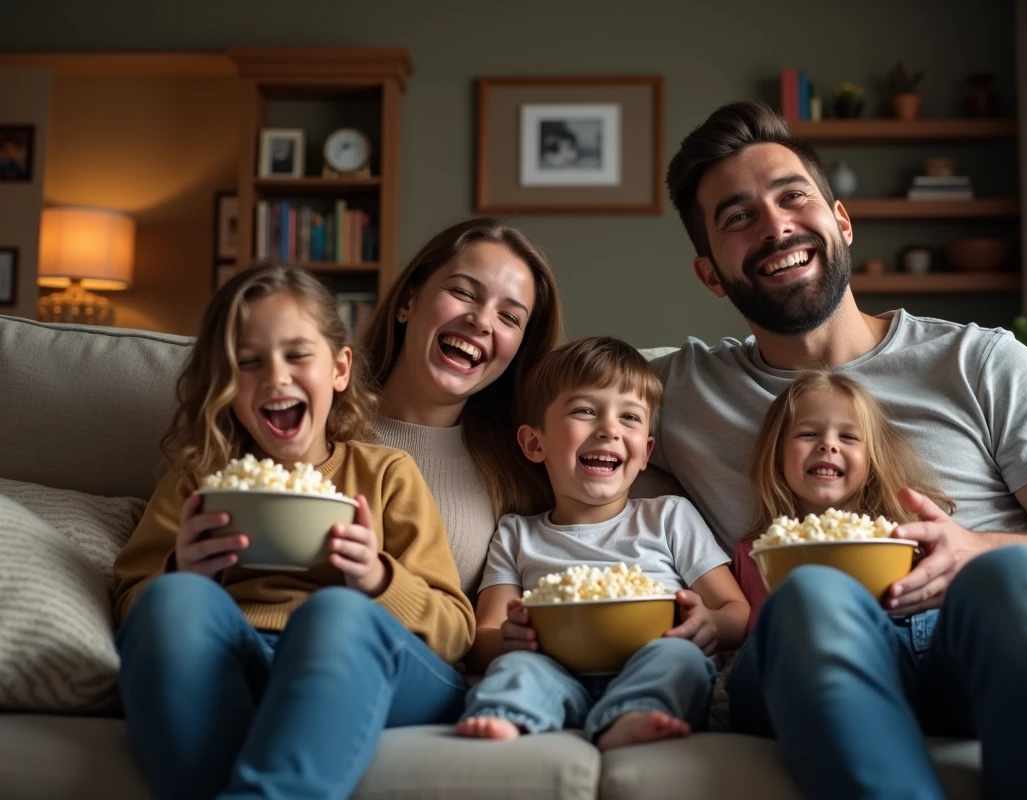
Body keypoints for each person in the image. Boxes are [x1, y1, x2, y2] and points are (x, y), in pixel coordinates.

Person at [653, 100, 1027, 798]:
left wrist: (975, 551)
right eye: (737, 217)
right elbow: (542, 402)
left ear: (840, 220)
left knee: (1008, 578)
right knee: (809, 595)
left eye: (792, 197)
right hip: (812, 659)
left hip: (980, 645)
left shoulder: (976, 362)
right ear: (711, 273)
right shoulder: (679, 392)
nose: (775, 226)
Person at [112, 265, 475, 800]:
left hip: (360, 665)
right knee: (173, 599)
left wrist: (376, 578)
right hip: (236, 659)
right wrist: (183, 571)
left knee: (335, 612)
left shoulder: (384, 475)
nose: (275, 377)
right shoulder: (200, 482)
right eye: (249, 362)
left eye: (297, 355)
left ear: (340, 368)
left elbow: (455, 630)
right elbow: (134, 609)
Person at [454, 337, 749, 749]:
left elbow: (736, 612)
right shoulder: (517, 534)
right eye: (585, 411)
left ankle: (635, 715)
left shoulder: (668, 516)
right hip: (553, 670)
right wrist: (508, 637)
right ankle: (507, 714)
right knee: (517, 669)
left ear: (645, 453)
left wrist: (709, 624)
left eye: (629, 417)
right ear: (534, 444)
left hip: (652, 659)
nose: (609, 429)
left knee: (681, 661)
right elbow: (483, 634)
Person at [358, 218, 564, 598]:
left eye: (509, 317)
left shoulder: (524, 474)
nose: (481, 320)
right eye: (464, 292)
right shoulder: (312, 427)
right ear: (407, 301)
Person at [733, 369, 954, 624]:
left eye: (848, 437)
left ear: (872, 461)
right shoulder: (754, 556)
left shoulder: (906, 543)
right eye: (808, 434)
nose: (829, 445)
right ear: (777, 453)